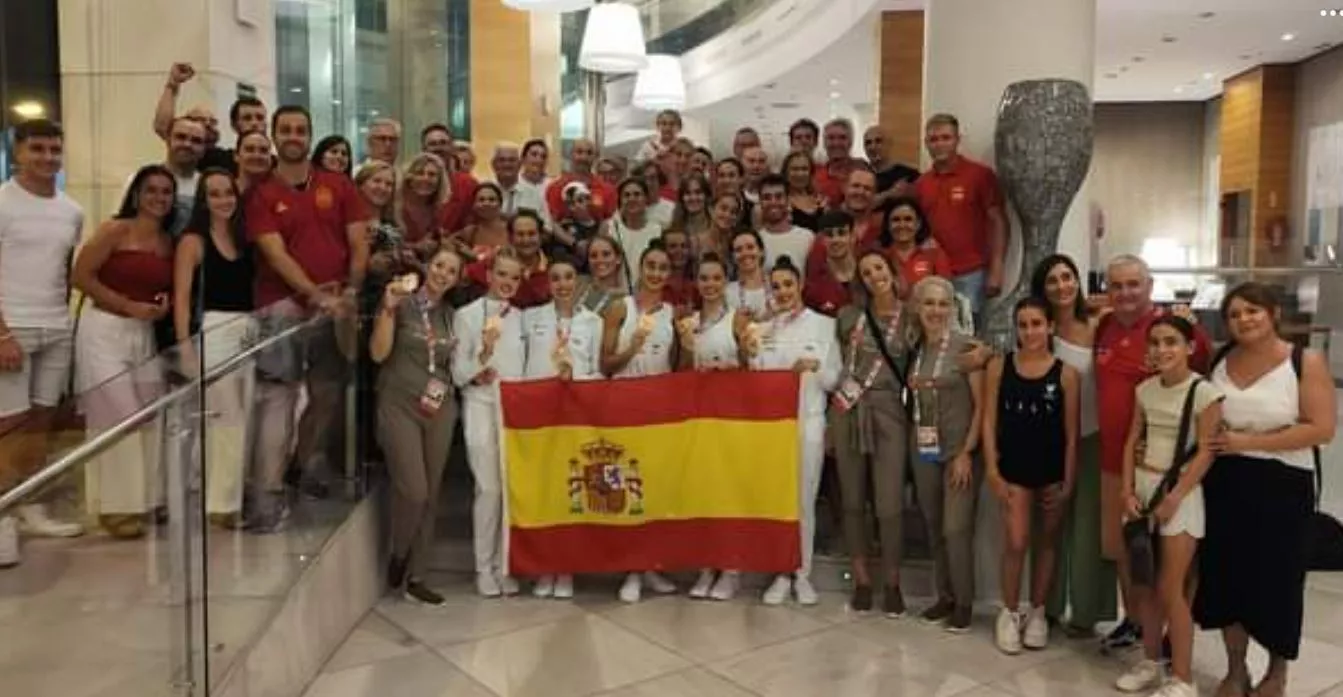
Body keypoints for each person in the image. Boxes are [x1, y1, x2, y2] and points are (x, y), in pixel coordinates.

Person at [1196, 282, 1336, 697]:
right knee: (1226, 576)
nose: (1244, 320)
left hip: (1284, 485)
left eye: (1252, 310)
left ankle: (1277, 672)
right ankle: (1235, 668)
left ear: (1273, 313)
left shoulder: (1303, 361)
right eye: (1234, 314)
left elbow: (1321, 429)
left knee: (1279, 581)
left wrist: (1248, 441)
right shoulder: (1220, 359)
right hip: (1226, 482)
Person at [246, 105, 369, 530]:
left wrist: (350, 291)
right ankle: (268, 489)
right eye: (286, 130)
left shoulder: (338, 185)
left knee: (327, 394)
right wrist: (314, 295)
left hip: (337, 305)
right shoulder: (262, 193)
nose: (293, 136)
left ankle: (299, 466)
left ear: (310, 135)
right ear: (275, 135)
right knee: (278, 400)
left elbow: (358, 242)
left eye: (300, 130)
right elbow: (275, 254)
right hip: (281, 306)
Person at [1095, 254, 1210, 652]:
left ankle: (1170, 634)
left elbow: (1201, 388)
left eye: (1133, 284)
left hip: (1166, 468)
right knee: (1126, 550)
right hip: (1116, 462)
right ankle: (1135, 621)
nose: (1125, 293)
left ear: (1150, 285)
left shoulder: (1174, 328)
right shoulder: (1105, 327)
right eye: (1116, 285)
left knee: (1172, 561)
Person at [1114, 316, 1223, 697]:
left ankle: (1183, 677)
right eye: (1156, 342)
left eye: (1171, 342)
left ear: (1189, 347)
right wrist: (1127, 490)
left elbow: (1207, 451)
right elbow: (1132, 440)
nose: (1162, 349)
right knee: (1143, 584)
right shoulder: (1145, 390)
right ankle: (1150, 661)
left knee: (1170, 588)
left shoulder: (1204, 392)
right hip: (1143, 490)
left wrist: (1175, 497)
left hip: (1181, 496)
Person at [73, 165, 176, 539]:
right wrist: (126, 305)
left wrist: (160, 306)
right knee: (117, 415)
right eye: (151, 190)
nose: (159, 198)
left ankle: (142, 499)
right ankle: (116, 508)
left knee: (147, 417)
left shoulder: (168, 241)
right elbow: (80, 276)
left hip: (143, 334)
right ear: (136, 194)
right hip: (104, 330)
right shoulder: (114, 230)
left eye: (166, 192)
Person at [0, 119, 87, 559]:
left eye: (54, 150)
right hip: (11, 327)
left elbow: (64, 271)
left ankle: (30, 504)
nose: (47, 158)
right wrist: (2, 334)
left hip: (55, 326)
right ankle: (2, 517)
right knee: (9, 426)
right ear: (18, 152)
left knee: (41, 422)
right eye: (37, 149)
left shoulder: (72, 211)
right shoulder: (2, 202)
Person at [983, 297, 1079, 653]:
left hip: (1051, 469)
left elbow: (1071, 435)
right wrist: (992, 469)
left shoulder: (1066, 374)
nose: (1029, 331)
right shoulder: (1000, 366)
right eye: (1022, 325)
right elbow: (989, 422)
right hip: (1013, 469)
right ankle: (1009, 611)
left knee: (1047, 542)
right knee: (1016, 541)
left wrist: (1068, 479)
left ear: (1050, 326)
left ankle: (1037, 611)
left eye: (1036, 323)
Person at [372, 245, 463, 606]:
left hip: (439, 408)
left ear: (457, 280)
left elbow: (458, 363)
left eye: (451, 271)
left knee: (432, 492)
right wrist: (387, 310)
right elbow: (378, 353)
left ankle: (417, 576)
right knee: (414, 489)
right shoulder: (401, 301)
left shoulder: (453, 317)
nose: (443, 274)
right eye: (439, 265)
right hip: (399, 404)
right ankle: (399, 553)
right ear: (428, 266)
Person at [1031, 254, 1116, 639]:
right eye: (1052, 280)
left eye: (1067, 277)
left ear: (1078, 282)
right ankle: (1045, 606)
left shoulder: (1099, 326)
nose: (1062, 286)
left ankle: (1086, 612)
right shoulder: (1039, 332)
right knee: (1050, 526)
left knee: (1089, 527)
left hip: (1094, 437)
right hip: (1050, 443)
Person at [748, 254, 840, 606]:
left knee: (803, 501)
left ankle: (801, 574)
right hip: (773, 429)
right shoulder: (764, 330)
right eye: (776, 287)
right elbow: (756, 378)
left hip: (809, 423)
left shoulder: (824, 326)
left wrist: (816, 367)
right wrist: (750, 349)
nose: (783, 291)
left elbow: (834, 380)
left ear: (800, 285)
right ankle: (779, 573)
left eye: (788, 284)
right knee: (777, 501)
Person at [171, 169, 256, 530]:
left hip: (247, 329)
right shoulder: (194, 241)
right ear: (203, 201)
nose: (224, 200)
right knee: (226, 418)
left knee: (242, 417)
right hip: (214, 330)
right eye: (215, 194)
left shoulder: (242, 238)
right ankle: (221, 505)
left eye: (228, 192)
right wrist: (185, 347)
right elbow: (182, 298)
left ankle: (230, 497)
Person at [521, 254, 606, 600]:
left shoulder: (593, 322)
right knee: (544, 492)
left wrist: (577, 378)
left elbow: (598, 372)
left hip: (576, 416)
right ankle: (545, 566)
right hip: (540, 417)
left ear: (579, 282)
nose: (562, 284)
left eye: (569, 277)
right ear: (548, 283)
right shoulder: (531, 318)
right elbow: (524, 368)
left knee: (571, 490)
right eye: (555, 278)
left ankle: (566, 567)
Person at [831, 251, 911, 615]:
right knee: (852, 500)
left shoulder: (912, 317)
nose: (874, 275)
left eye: (879, 267)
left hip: (889, 410)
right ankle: (861, 579)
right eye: (866, 272)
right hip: (848, 408)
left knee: (889, 503)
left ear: (892, 271)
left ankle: (892, 582)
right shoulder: (849, 317)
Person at [600, 241, 680, 603]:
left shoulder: (672, 314)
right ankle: (630, 567)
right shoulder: (621, 308)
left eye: (663, 268)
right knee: (627, 487)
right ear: (640, 267)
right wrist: (631, 348)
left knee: (654, 489)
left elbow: (676, 366)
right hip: (623, 405)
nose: (656, 273)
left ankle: (648, 565)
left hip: (657, 410)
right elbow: (605, 364)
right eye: (651, 266)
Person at [906, 275, 984, 632]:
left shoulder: (967, 348)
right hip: (924, 447)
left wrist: (967, 451)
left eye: (942, 304)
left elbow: (982, 405)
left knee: (956, 528)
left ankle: (965, 601)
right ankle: (945, 595)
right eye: (929, 303)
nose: (935, 310)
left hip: (958, 451)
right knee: (934, 524)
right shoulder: (914, 347)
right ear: (918, 307)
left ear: (952, 308)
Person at [452, 250, 527, 598]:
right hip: (480, 406)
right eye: (502, 274)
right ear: (489, 275)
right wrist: (479, 364)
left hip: (514, 413)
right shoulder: (467, 316)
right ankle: (483, 568)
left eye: (514, 277)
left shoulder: (523, 319)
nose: (507, 282)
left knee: (509, 491)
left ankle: (503, 565)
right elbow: (458, 373)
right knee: (489, 489)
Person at [678, 252, 751, 600]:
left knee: (729, 493)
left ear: (726, 282)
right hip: (699, 416)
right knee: (704, 493)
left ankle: (732, 568)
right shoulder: (689, 323)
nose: (709, 284)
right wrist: (685, 348)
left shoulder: (738, 319)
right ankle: (707, 565)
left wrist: (731, 369)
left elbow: (753, 367)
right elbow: (680, 374)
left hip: (731, 414)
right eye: (704, 278)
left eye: (716, 278)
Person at [914, 113, 1008, 315]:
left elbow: (998, 221)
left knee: (968, 329)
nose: (939, 144)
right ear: (926, 143)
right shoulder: (921, 184)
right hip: (934, 274)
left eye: (946, 138)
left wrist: (997, 267)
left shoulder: (980, 175)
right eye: (933, 139)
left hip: (972, 273)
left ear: (957, 140)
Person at [601, 179, 662, 290]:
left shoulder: (657, 231)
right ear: (620, 201)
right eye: (626, 195)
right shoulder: (609, 228)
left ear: (646, 199)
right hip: (615, 294)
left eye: (637, 194)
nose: (632, 199)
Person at [882, 197, 950, 288]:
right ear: (888, 225)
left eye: (908, 219)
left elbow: (945, 290)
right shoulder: (880, 257)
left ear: (918, 224)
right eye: (896, 220)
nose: (902, 225)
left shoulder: (934, 254)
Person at [802, 211, 859, 317]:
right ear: (821, 240)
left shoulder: (867, 272)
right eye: (829, 235)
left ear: (853, 237)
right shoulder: (814, 285)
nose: (835, 240)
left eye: (841, 233)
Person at [757, 174, 815, 271]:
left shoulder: (807, 237)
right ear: (760, 202)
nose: (773, 202)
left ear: (788, 199)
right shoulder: (755, 240)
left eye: (778, 197)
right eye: (767, 198)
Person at [396, 153, 449, 244]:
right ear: (409, 177)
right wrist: (417, 246)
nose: (426, 178)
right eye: (420, 173)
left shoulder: (437, 209)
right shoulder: (395, 204)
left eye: (431, 175)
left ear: (439, 181)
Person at [726, 230, 770, 319]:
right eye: (738, 250)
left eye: (750, 247)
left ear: (761, 251)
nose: (745, 253)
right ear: (733, 257)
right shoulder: (726, 292)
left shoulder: (778, 285)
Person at [454, 183, 509, 255]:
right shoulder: (470, 232)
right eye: (481, 200)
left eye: (492, 200)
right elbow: (448, 243)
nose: (486, 203)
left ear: (500, 204)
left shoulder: (511, 230)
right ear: (474, 205)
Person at [783, 151, 823, 231]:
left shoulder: (821, 201)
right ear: (786, 173)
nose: (800, 174)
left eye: (804, 169)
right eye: (795, 169)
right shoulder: (782, 202)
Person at [660, 228, 696, 311]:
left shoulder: (695, 288)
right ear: (663, 250)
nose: (679, 251)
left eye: (684, 246)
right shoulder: (655, 285)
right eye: (673, 246)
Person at [671, 173, 712, 240]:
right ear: (682, 198)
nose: (693, 198)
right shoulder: (674, 227)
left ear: (706, 196)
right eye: (687, 193)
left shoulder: (717, 224)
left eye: (698, 192)